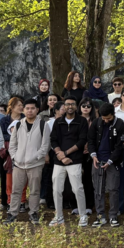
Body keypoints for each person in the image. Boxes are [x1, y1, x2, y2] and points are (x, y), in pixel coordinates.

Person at [3, 99, 49, 225]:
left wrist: (35, 157)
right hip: (19, 164)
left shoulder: (43, 125)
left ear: (37, 110)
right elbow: (12, 145)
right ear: (23, 110)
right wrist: (15, 157)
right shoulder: (18, 125)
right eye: (27, 108)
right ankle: (12, 213)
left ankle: (33, 213)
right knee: (16, 190)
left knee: (34, 190)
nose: (30, 111)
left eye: (32, 108)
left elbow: (45, 146)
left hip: (35, 164)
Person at [48, 96, 89, 227]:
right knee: (56, 190)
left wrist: (66, 153)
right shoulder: (58, 121)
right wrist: (60, 155)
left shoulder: (82, 121)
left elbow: (82, 141)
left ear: (76, 106)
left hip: (75, 160)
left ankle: (83, 216)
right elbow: (53, 139)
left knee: (77, 189)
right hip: (59, 161)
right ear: (64, 107)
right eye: (67, 104)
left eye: (72, 104)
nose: (70, 106)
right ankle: (58, 216)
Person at [87, 103, 124, 228]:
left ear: (113, 114)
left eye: (108, 118)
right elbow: (90, 140)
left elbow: (120, 146)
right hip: (97, 160)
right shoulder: (96, 122)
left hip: (113, 162)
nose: (105, 120)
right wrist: (93, 155)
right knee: (98, 189)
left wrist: (110, 161)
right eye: (103, 118)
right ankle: (100, 216)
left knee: (113, 189)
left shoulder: (120, 124)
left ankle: (113, 216)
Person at [0, 97, 25, 211]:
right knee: (7, 179)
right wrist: (14, 138)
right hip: (7, 152)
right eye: (19, 105)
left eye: (22, 105)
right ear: (12, 107)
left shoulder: (25, 119)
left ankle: (22, 201)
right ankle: (7, 201)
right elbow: (1, 135)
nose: (21, 107)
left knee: (22, 178)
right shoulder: (4, 120)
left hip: (24, 151)